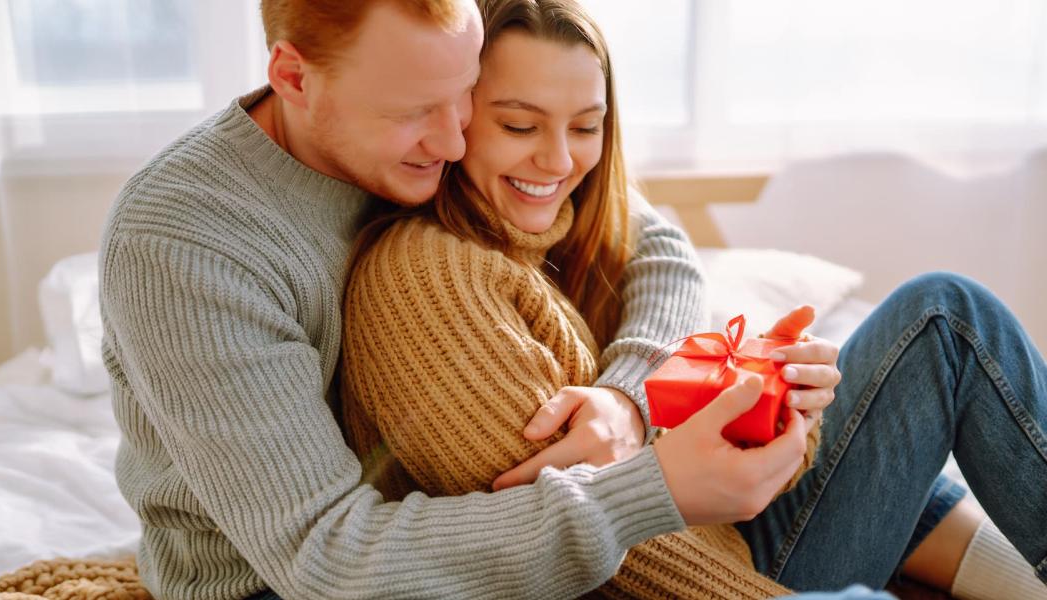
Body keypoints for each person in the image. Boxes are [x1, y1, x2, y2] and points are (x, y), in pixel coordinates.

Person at [336, 1, 1047, 600]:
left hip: (726, 533)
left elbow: (659, 257)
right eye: (519, 125)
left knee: (922, 353)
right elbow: (592, 550)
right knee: (946, 322)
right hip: (712, 576)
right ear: (459, 117)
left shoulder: (554, 239)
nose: (559, 159)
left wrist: (779, 421)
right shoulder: (431, 281)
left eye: (585, 125)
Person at [99, 0, 839, 598]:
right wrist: (649, 491)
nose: (455, 142)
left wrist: (628, 395)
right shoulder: (186, 242)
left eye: (467, 99)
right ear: (293, 77)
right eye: (418, 110)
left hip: (478, 531)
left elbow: (652, 239)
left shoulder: (420, 121)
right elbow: (328, 563)